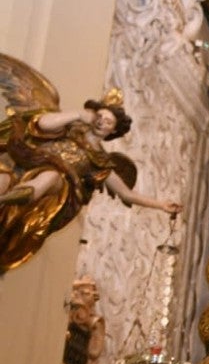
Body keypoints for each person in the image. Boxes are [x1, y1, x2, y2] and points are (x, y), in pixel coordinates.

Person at [0, 89, 182, 274]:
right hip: (25, 164)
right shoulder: (69, 129)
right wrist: (78, 114)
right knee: (4, 178)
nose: (102, 122)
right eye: (100, 116)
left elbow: (126, 193)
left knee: (51, 176)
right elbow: (42, 123)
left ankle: (10, 199)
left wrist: (161, 205)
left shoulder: (100, 162)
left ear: (114, 130)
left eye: (108, 122)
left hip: (53, 186)